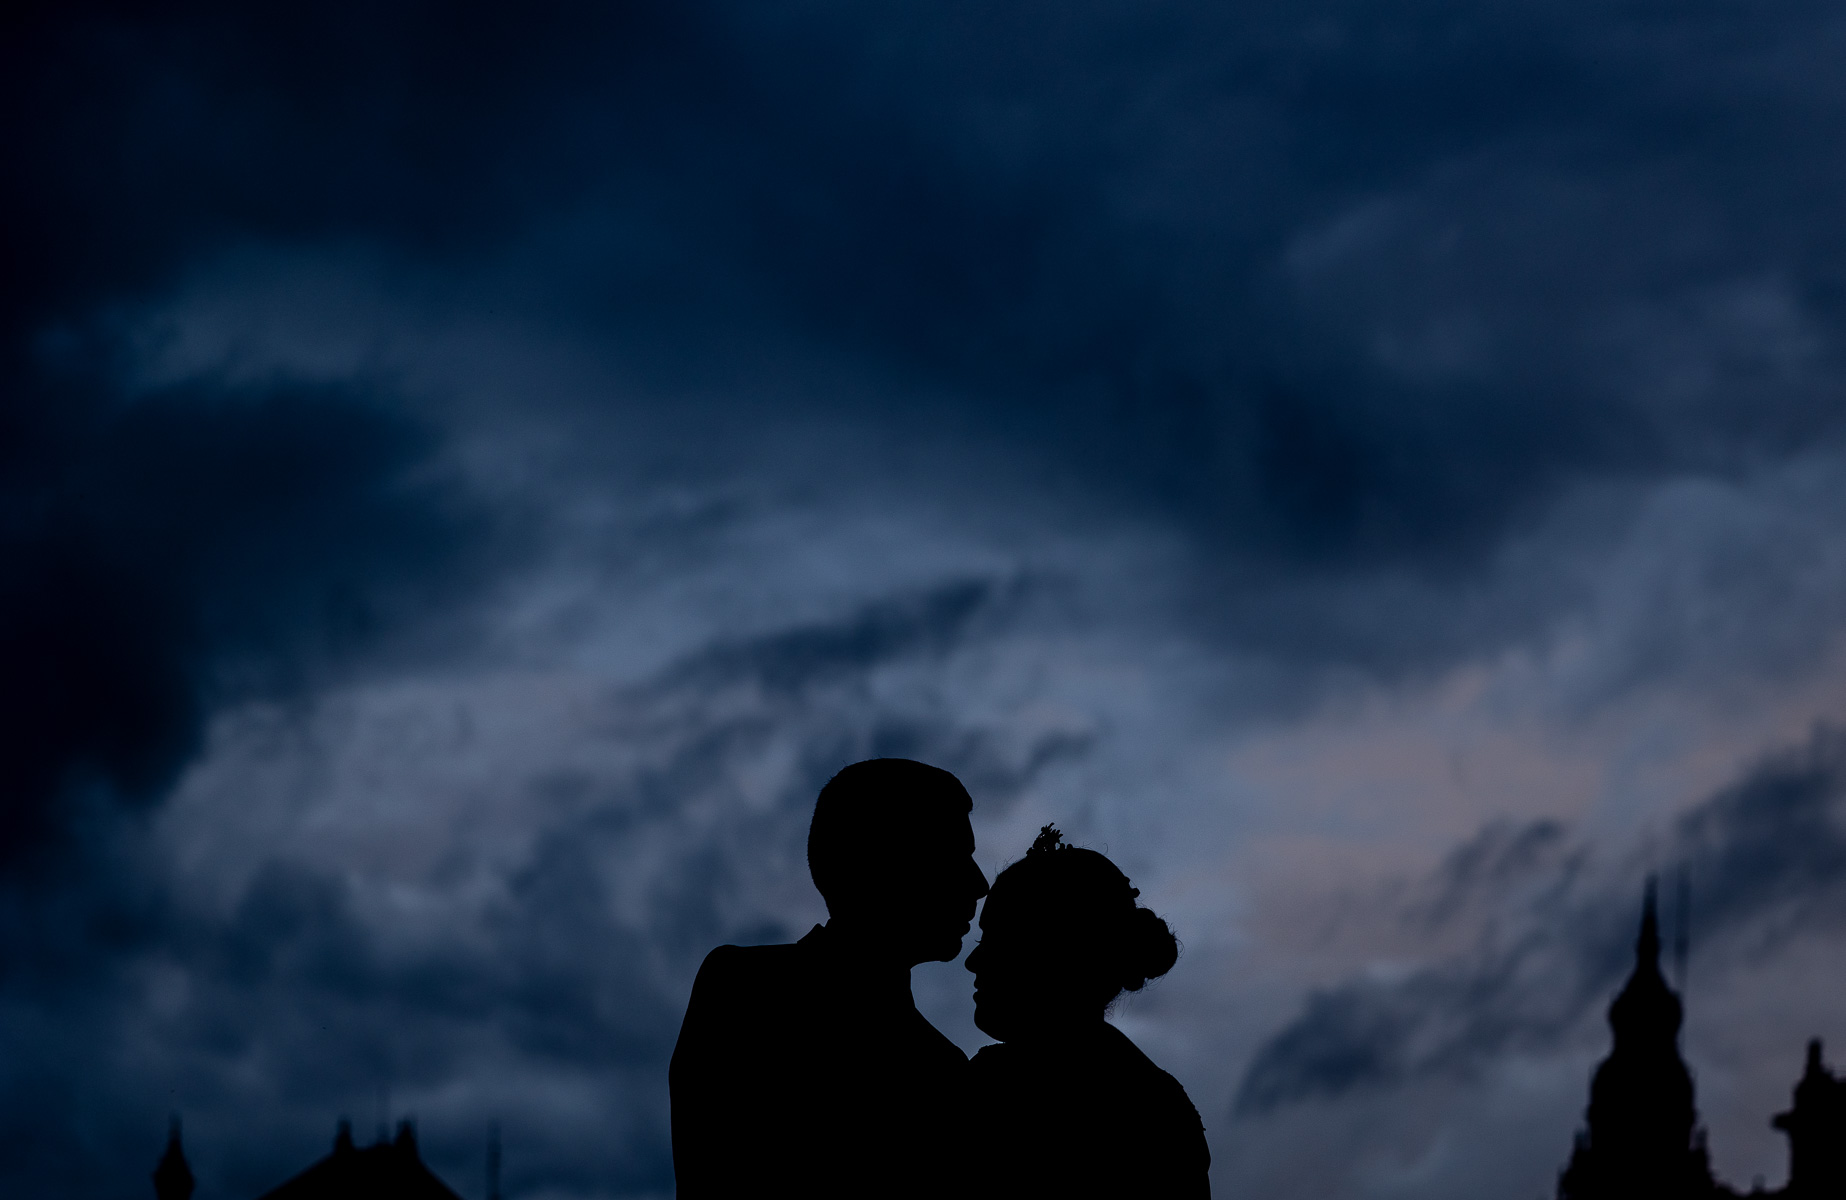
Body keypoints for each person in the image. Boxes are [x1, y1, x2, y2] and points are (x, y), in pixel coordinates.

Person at [669, 758, 991, 1199]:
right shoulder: (744, 991)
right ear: (889, 865)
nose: (979, 883)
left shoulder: (742, 986)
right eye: (955, 857)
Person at [965, 825, 1210, 1199]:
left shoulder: (996, 1092)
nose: (973, 961)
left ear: (1057, 954)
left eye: (998, 940)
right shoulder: (1159, 1106)